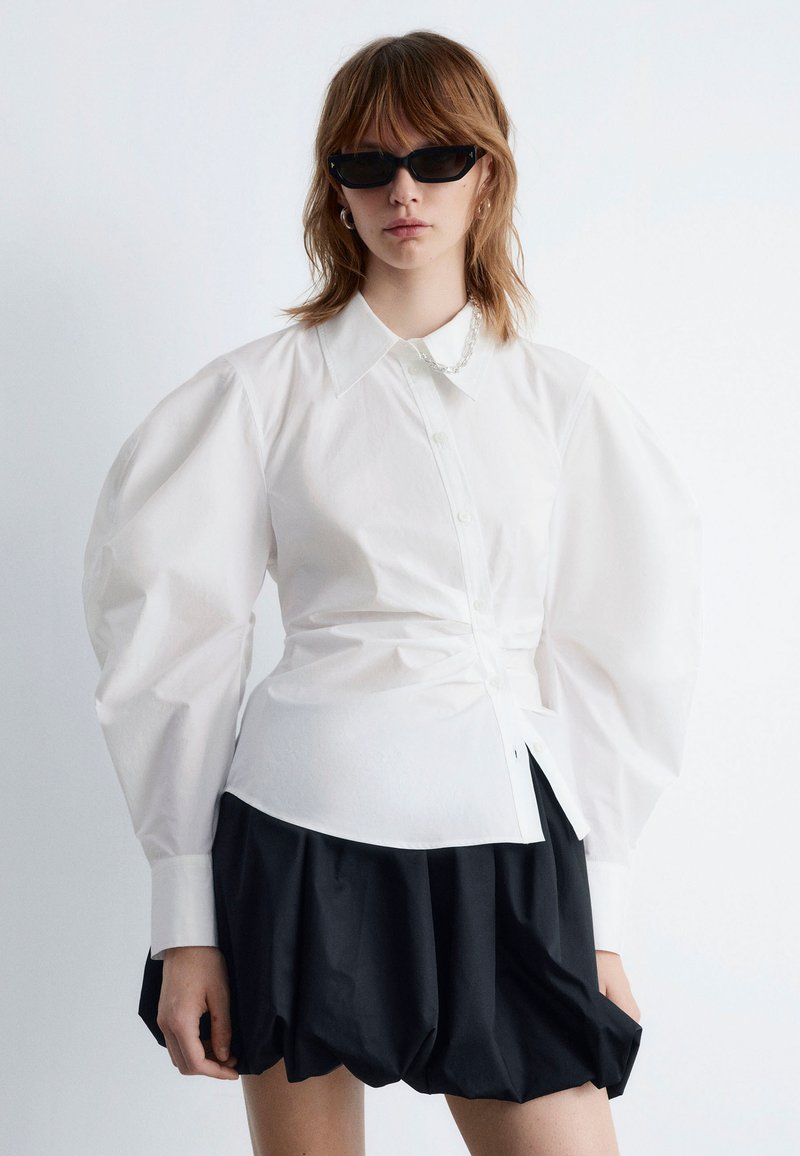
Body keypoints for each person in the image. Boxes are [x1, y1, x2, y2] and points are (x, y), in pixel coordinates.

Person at [82, 29, 703, 1156]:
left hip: (509, 840)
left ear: (489, 174)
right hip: (299, 830)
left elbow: (622, 656)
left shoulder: (563, 406)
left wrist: (600, 913)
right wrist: (186, 922)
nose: (402, 189)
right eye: (364, 165)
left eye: (437, 157)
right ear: (334, 190)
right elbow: (175, 646)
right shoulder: (255, 396)